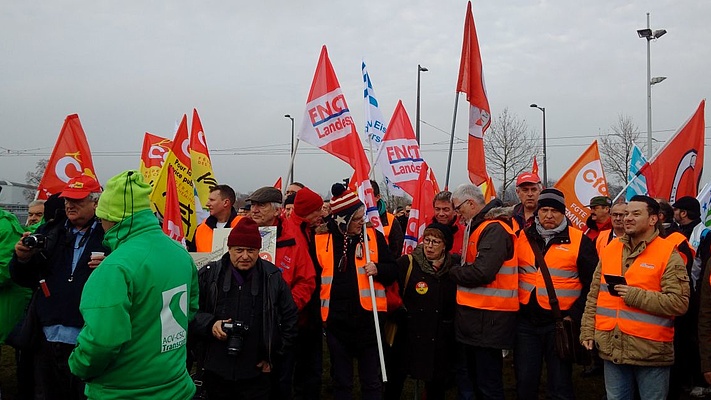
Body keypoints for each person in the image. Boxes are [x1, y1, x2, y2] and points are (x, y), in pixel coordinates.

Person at [68, 170, 199, 399]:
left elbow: (102, 342)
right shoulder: (180, 253)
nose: (101, 223)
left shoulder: (115, 268)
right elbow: (189, 310)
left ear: (111, 217)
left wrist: (77, 365)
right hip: (176, 386)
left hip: (123, 391)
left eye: (101, 217)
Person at [580, 195, 690, 400]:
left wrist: (634, 295)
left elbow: (679, 303)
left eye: (635, 213)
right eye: (626, 213)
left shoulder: (667, 253)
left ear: (653, 219)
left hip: (650, 352)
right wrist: (587, 330)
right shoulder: (611, 249)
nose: (627, 218)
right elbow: (594, 294)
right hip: (613, 349)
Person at [10, 174, 108, 400]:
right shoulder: (49, 231)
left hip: (89, 337)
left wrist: (110, 264)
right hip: (46, 336)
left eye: (77, 201)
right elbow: (24, 279)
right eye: (67, 200)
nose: (70, 206)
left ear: (96, 202)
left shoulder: (109, 235)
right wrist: (22, 258)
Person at [190, 217, 298, 400]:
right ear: (229, 249)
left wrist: (274, 357)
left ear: (259, 251)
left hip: (256, 372)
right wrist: (211, 324)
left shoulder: (272, 278)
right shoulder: (209, 275)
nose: (245, 256)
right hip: (215, 369)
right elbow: (190, 313)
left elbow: (290, 319)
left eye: (251, 250)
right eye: (239, 250)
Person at [314, 183, 397, 399]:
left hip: (369, 321)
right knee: (342, 381)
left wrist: (379, 269)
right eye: (358, 219)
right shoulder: (321, 239)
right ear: (344, 219)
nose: (363, 222)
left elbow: (392, 270)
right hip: (336, 322)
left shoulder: (373, 237)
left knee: (371, 380)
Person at [515, 188, 597, 400]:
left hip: (559, 323)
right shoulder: (521, 237)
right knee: (525, 380)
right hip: (526, 322)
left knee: (560, 383)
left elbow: (592, 285)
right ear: (537, 212)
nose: (548, 215)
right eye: (544, 210)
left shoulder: (580, 241)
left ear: (563, 213)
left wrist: (575, 315)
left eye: (554, 211)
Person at [449, 184, 518, 400]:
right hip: (477, 318)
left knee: (488, 385)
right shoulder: (480, 227)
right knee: (475, 381)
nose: (458, 216)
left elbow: (483, 271)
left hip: (489, 319)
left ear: (471, 203)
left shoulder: (494, 228)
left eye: (458, 209)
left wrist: (451, 272)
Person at [247, 186, 316, 399]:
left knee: (280, 380)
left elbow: (307, 281)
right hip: (249, 322)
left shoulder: (293, 237)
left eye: (262, 205)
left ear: (277, 210)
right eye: (253, 205)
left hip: (281, 326)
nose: (255, 210)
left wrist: (287, 310)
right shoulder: (241, 230)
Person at [387, 223, 460, 400]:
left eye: (435, 242)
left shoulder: (454, 268)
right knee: (395, 380)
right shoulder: (407, 263)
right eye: (426, 240)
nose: (429, 245)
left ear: (445, 245)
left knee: (436, 384)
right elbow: (390, 284)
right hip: (407, 333)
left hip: (438, 337)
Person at [287, 186, 327, 400]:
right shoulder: (292, 233)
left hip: (310, 310)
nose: (320, 215)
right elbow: (301, 275)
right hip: (299, 311)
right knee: (302, 365)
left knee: (310, 365)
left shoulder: (308, 229)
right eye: (316, 211)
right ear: (305, 212)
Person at [193, 185, 241, 252]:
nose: (207, 204)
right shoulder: (200, 228)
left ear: (226, 203)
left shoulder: (244, 225)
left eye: (212, 200)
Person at [370, 180, 404, 258]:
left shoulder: (390, 220)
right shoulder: (356, 221)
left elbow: (397, 251)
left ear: (377, 197)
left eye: (368, 195)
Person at [432, 190, 465, 256]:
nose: (441, 214)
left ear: (455, 211)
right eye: (437, 209)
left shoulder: (466, 233)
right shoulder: (425, 230)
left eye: (446, 210)